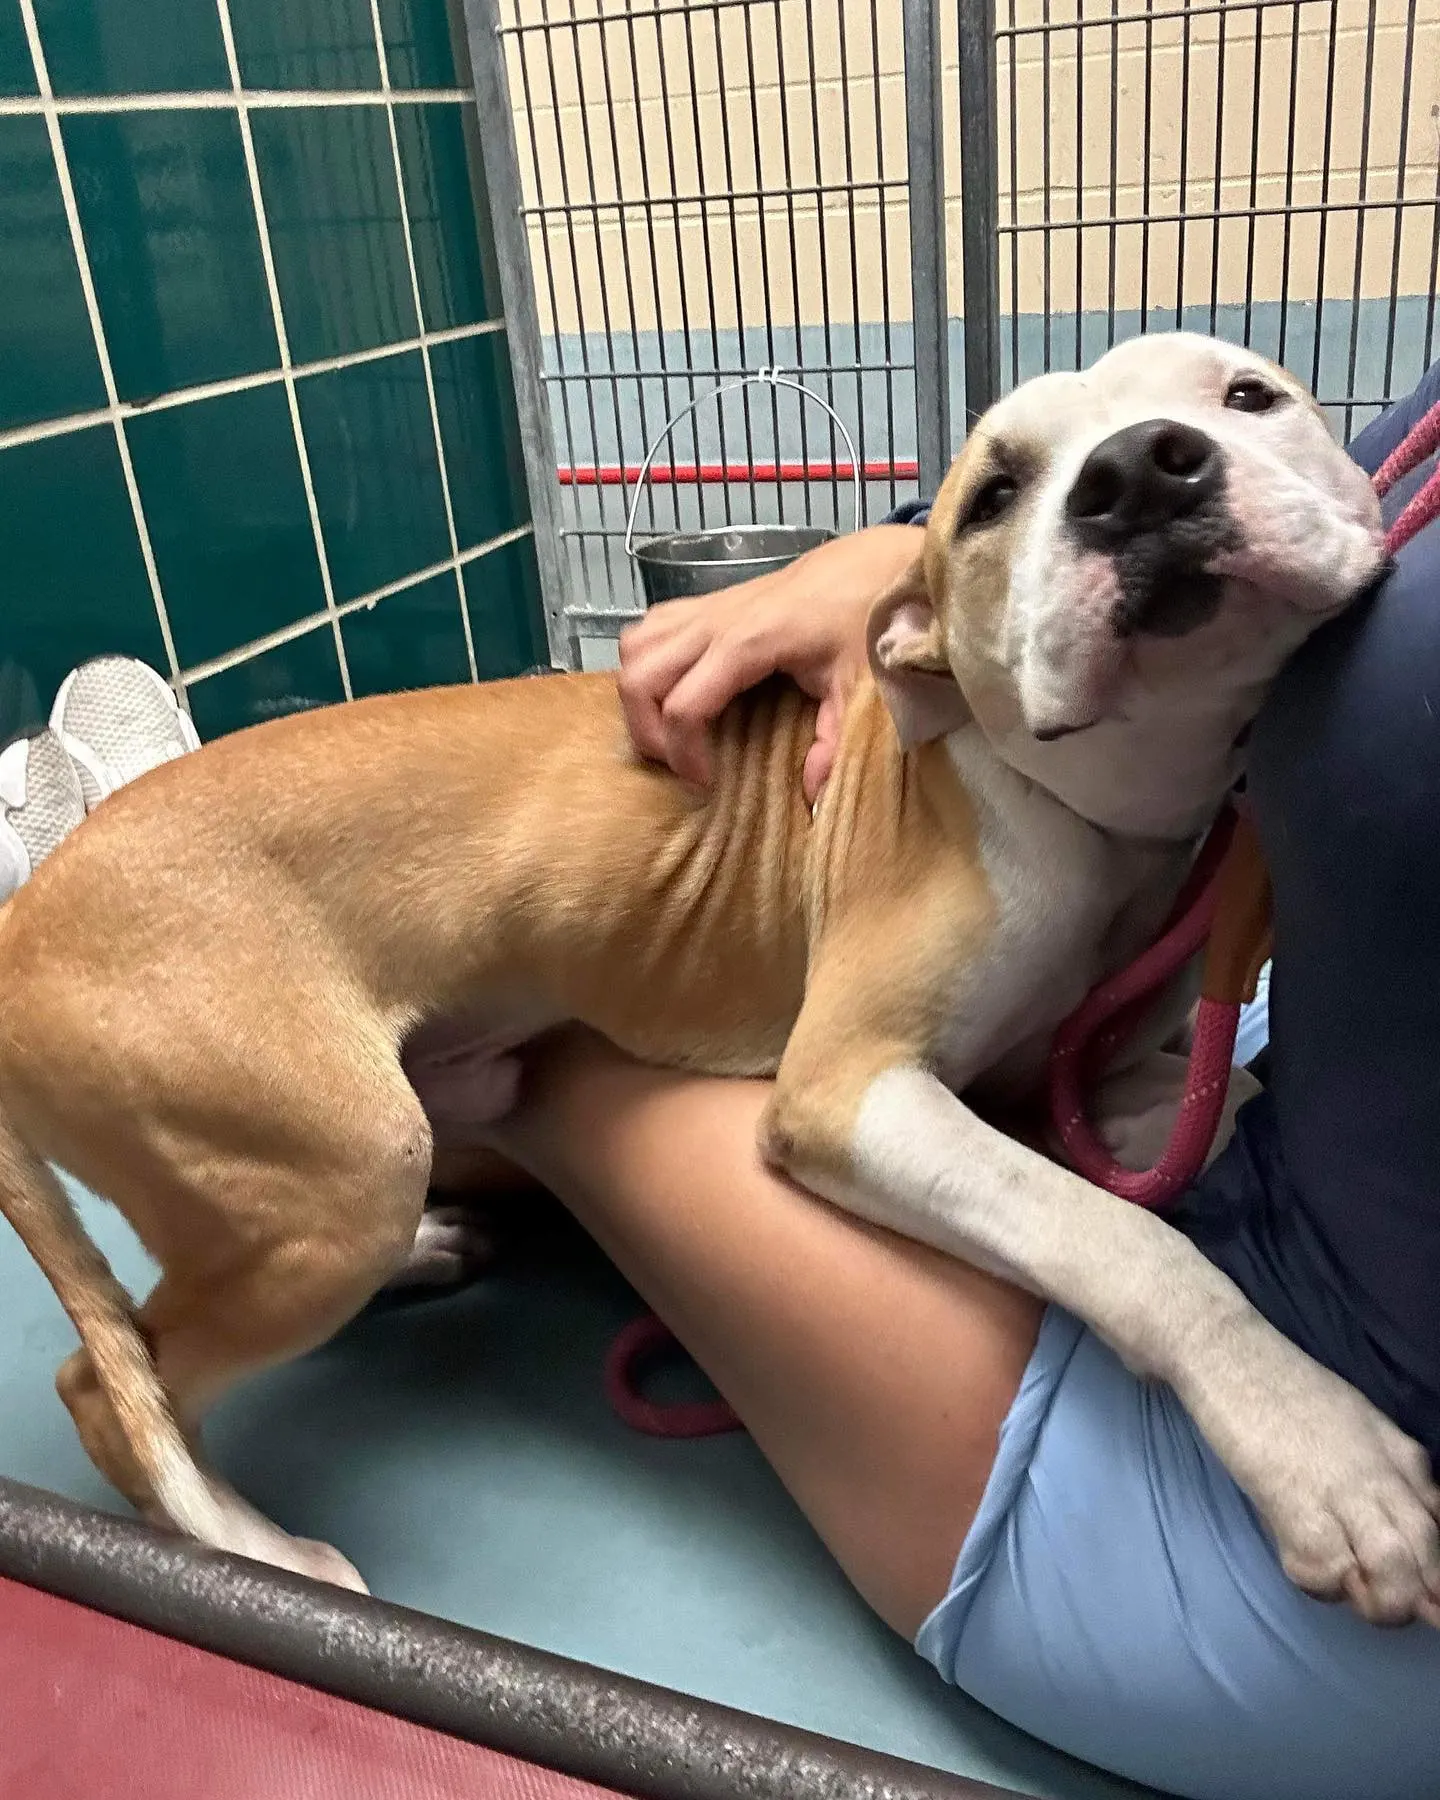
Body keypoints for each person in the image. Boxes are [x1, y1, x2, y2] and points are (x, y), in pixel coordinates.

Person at [5, 366, 1439, 1798]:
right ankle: (154, 1354)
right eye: (1006, 493)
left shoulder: (1141, 800)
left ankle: (293, 1056)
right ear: (924, 663)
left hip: (318, 927)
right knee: (360, 1180)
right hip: (197, 936)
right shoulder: (982, 791)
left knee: (502, 1077)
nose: (1156, 464)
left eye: (1248, 395)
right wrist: (887, 558)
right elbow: (835, 1107)